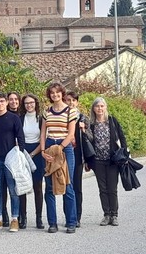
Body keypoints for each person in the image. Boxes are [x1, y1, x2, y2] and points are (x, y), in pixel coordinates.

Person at [0, 92, 25, 233]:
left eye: (2, 101)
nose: (0, 104)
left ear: (7, 102)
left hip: (11, 161)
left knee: (13, 190)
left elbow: (20, 137)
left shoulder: (14, 118)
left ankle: (15, 219)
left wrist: (20, 156)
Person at [40, 82, 77, 234]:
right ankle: (52, 223)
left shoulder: (71, 111)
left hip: (64, 148)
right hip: (49, 146)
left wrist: (60, 148)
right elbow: (43, 133)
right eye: (52, 93)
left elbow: (71, 133)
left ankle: (71, 222)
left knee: (67, 185)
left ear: (62, 93)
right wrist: (42, 151)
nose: (55, 95)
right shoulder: (46, 111)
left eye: (57, 92)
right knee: (49, 187)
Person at [89, 97, 127, 227]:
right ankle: (106, 214)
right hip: (98, 161)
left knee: (112, 188)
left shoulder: (112, 121)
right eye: (97, 106)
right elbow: (88, 142)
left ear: (105, 107)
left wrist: (124, 154)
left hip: (112, 160)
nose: (100, 108)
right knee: (102, 189)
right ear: (93, 108)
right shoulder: (91, 124)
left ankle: (114, 215)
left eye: (102, 106)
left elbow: (121, 138)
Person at [19, 93, 45, 229]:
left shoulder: (41, 119)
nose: (29, 105)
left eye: (31, 103)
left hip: (37, 152)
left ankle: (39, 218)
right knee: (23, 187)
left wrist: (33, 153)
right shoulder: (20, 118)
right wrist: (23, 153)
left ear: (36, 104)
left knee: (37, 187)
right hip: (23, 152)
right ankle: (23, 218)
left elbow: (43, 139)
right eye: (26, 103)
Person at [65, 91, 91, 228]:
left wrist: (84, 129)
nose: (71, 103)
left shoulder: (83, 118)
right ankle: (69, 216)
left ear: (77, 102)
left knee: (77, 187)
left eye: (73, 100)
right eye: (68, 100)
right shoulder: (63, 117)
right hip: (65, 156)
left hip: (78, 157)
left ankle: (77, 217)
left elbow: (91, 139)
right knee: (66, 187)